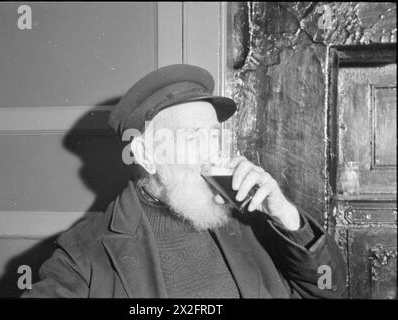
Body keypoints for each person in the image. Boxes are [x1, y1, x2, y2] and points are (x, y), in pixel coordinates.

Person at [21, 64, 346, 298]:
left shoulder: (251, 221)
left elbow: (329, 289)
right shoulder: (86, 253)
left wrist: (286, 216)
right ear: (146, 154)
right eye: (193, 137)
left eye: (214, 137)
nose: (212, 153)